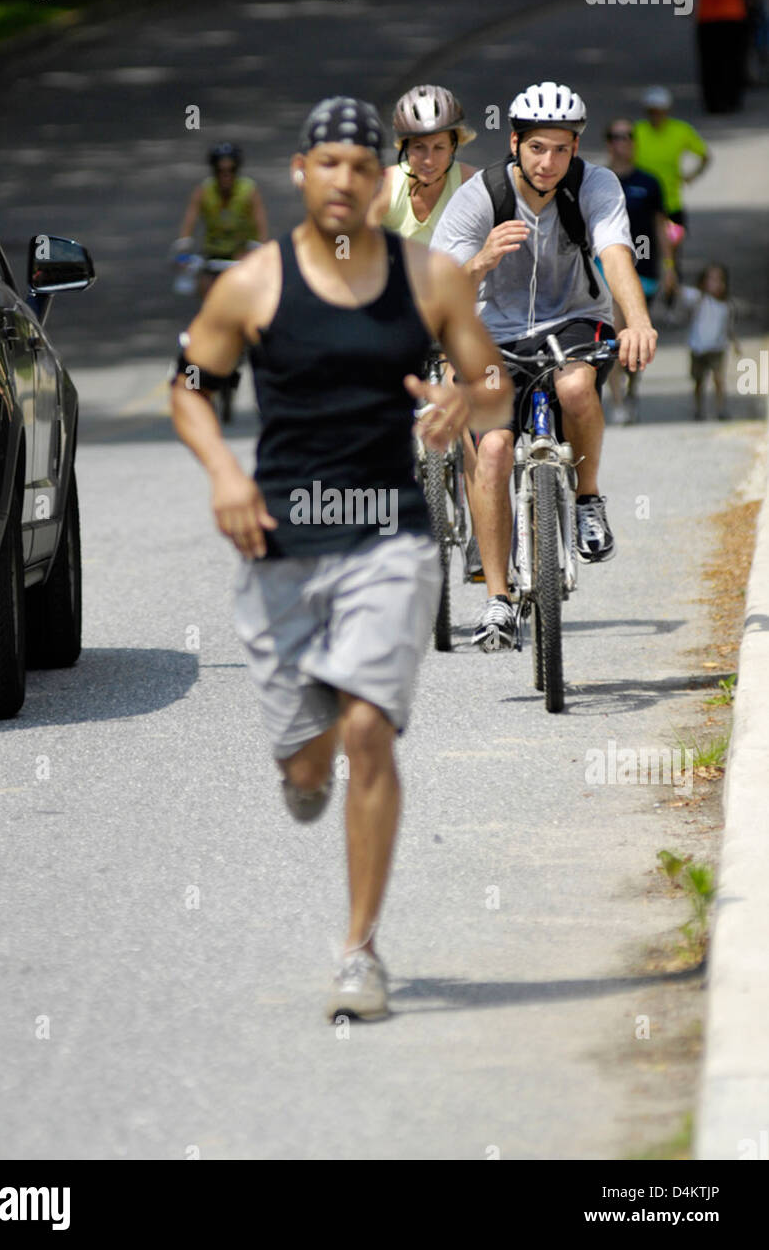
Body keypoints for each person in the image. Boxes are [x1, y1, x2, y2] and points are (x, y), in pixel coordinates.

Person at [171, 96, 512, 1021]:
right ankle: (302, 765)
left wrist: (460, 407)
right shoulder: (253, 284)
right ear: (301, 172)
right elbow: (191, 390)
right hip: (278, 545)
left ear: (381, 180)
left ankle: (359, 951)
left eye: (363, 168)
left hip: (390, 538)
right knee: (310, 764)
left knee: (369, 732)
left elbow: (491, 386)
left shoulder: (431, 280)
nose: (346, 182)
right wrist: (222, 474)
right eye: (329, 164)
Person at [431, 81, 658, 650]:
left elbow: (615, 254)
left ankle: (587, 501)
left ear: (576, 149)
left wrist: (637, 323)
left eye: (561, 149)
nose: (549, 162)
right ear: (515, 143)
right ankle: (497, 602)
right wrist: (481, 260)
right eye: (537, 148)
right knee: (495, 449)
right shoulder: (480, 195)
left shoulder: (595, 186)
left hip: (572, 320)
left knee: (578, 388)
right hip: (492, 336)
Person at [601, 117, 675, 423]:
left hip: (645, 268)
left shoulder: (649, 182)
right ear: (609, 142)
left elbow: (662, 226)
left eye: (629, 136)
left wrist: (670, 266)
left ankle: (631, 385)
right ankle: (617, 402)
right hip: (606, 268)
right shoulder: (599, 180)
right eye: (617, 136)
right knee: (617, 334)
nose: (624, 141)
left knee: (637, 336)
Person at [368, 84, 479, 243]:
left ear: (453, 146)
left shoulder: (471, 185)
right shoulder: (385, 185)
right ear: (405, 147)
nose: (429, 160)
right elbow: (352, 243)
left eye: (439, 148)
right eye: (419, 147)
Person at [683, 0, 765, 112]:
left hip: (708, 19)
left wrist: (686, 7)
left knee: (710, 62)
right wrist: (750, 1)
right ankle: (732, 100)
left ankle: (713, 102)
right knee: (734, 60)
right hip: (733, 17)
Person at [175, 142, 269, 300]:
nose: (226, 175)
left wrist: (259, 247)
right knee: (205, 290)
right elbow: (190, 219)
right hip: (212, 256)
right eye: (220, 171)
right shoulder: (204, 191)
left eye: (231, 170)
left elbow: (260, 222)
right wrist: (184, 245)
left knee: (245, 296)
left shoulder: (248, 191)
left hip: (240, 255)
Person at [632, 88, 710, 270]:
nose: (656, 115)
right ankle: (645, 287)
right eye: (652, 111)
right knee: (643, 251)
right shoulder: (637, 131)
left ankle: (671, 288)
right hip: (644, 206)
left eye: (660, 111)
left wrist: (692, 176)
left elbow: (705, 155)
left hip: (671, 205)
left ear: (667, 111)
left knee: (672, 254)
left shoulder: (680, 130)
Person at [663, 263, 740, 420]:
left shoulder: (727, 305)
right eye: (711, 279)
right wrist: (669, 269)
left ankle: (720, 409)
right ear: (703, 281)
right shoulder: (698, 298)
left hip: (717, 348)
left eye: (719, 280)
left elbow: (729, 327)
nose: (715, 284)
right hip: (698, 347)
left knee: (719, 379)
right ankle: (699, 409)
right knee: (699, 381)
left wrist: (735, 344)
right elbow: (678, 290)